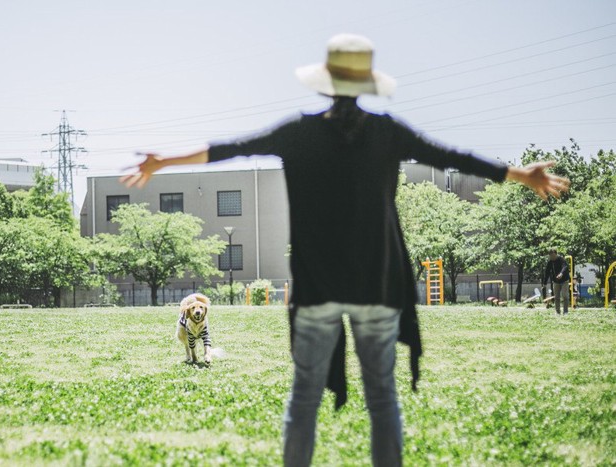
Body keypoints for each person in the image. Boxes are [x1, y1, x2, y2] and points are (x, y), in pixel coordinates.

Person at [122, 34, 570, 467]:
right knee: (382, 398)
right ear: (365, 84)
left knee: (304, 398)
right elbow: (451, 155)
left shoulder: (299, 132)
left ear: (326, 82)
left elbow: (232, 149)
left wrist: (165, 161)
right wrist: (520, 175)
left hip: (317, 287)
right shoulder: (386, 132)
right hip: (376, 284)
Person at [543, 249, 570, 315]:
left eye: (553, 255)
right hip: (555, 281)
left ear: (556, 254)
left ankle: (565, 312)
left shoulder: (561, 259)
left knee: (565, 296)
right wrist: (545, 283)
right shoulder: (550, 262)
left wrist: (561, 273)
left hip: (564, 281)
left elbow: (565, 267)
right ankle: (557, 312)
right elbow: (547, 272)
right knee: (557, 297)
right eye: (550, 256)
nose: (552, 257)